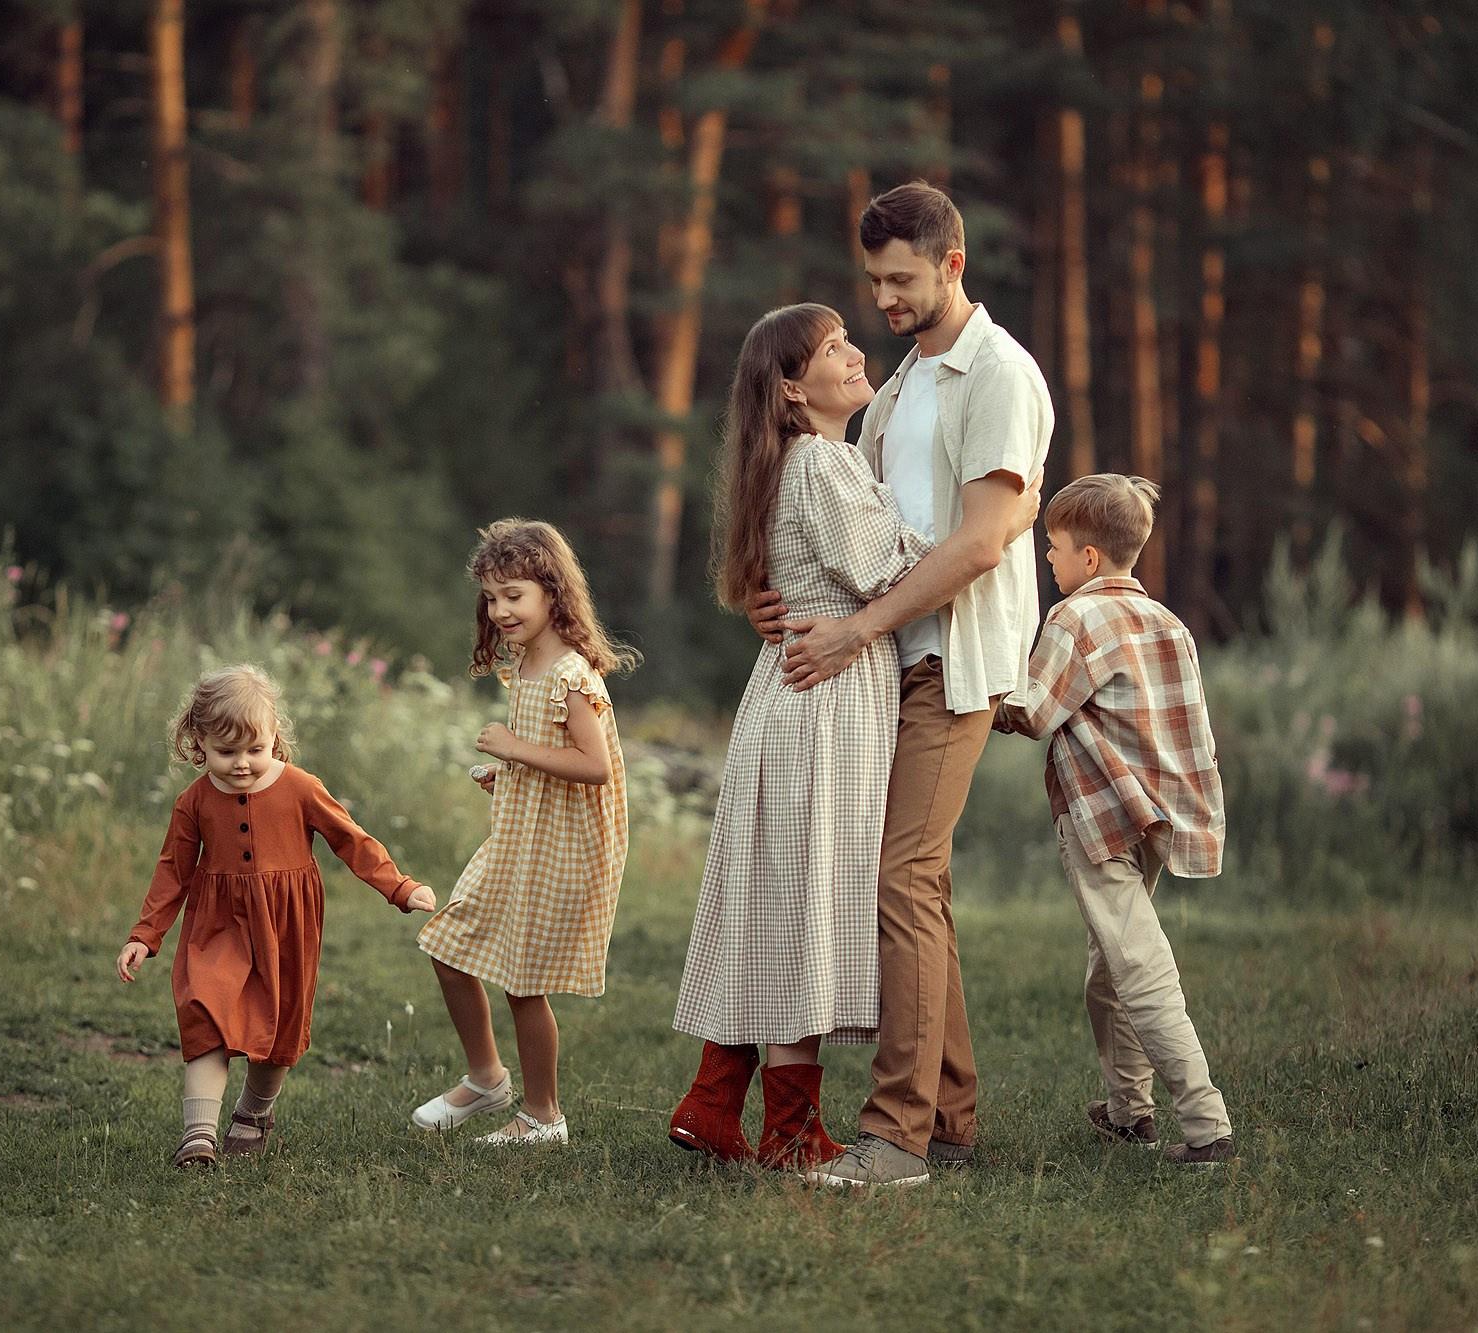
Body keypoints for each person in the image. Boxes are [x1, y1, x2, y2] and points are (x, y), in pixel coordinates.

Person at [668, 304, 1042, 1171]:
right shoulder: (824, 464)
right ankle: (783, 1124)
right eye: (833, 347)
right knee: (806, 901)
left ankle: (720, 1098)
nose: (855, 350)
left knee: (782, 899)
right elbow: (902, 563)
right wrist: (1005, 525)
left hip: (806, 694)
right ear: (792, 390)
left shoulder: (808, 461)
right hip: (823, 703)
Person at [754, 182, 1054, 1188]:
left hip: (949, 660)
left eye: (898, 280)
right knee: (914, 883)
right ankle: (953, 1116)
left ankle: (894, 1138)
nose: (880, 299)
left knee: (901, 880)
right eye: (872, 279)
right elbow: (857, 531)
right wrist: (789, 603)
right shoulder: (897, 389)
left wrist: (854, 632)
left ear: (951, 265)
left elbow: (975, 542)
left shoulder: (996, 376)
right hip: (889, 664)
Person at [994, 474, 1234, 1166]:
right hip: (1157, 816)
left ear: (1089, 557)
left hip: (1100, 815)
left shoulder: (1074, 619)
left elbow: (1036, 711)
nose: (1048, 558)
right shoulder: (1169, 624)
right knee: (1110, 967)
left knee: (1138, 964)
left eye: (1054, 547)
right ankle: (1129, 1111)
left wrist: (986, 695)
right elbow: (1190, 733)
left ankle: (1207, 1124)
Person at [117, 664, 436, 1168]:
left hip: (287, 925)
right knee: (205, 1009)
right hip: (216, 925)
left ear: (274, 737)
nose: (242, 764)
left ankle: (253, 1113)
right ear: (198, 742)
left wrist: (399, 886)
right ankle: (198, 1135)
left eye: (255, 750)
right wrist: (145, 934)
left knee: (281, 1025)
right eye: (226, 752)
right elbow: (172, 873)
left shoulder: (302, 788)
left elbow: (350, 840)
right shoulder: (193, 802)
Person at [413, 518, 633, 1146]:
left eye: (515, 595)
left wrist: (515, 747)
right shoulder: (527, 663)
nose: (500, 609)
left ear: (553, 593)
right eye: (491, 596)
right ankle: (487, 1078)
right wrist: (507, 768)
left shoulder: (571, 675)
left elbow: (595, 767)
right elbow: (550, 753)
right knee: (448, 945)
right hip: (520, 837)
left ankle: (543, 1116)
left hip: (561, 850)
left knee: (522, 981)